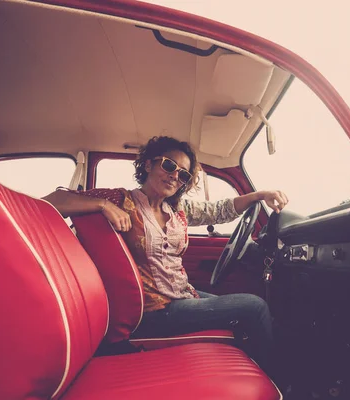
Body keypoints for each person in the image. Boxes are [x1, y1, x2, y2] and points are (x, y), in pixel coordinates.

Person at [43, 135, 288, 376]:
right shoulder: (121, 199)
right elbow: (53, 201)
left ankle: (260, 367)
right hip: (154, 310)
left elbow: (220, 210)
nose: (175, 176)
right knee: (254, 307)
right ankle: (280, 378)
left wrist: (258, 196)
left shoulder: (177, 209)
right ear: (148, 164)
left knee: (247, 310)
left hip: (181, 294)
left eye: (183, 174)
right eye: (169, 165)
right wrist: (104, 206)